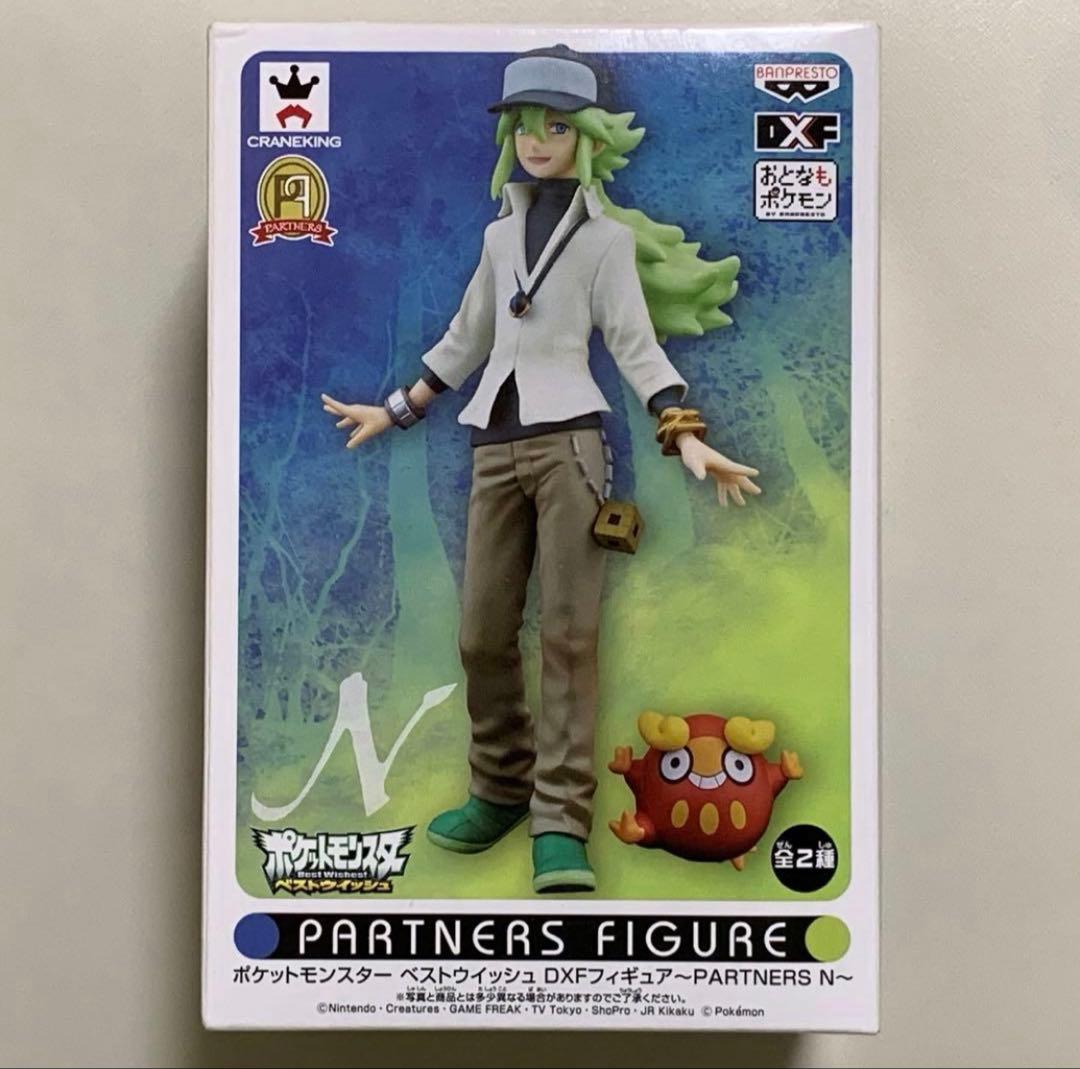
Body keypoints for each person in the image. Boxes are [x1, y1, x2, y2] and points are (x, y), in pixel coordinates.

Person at [321, 45, 760, 893]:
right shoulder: (497, 237)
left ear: (587, 137)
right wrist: (398, 408)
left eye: (556, 126)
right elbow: (466, 337)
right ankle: (499, 788)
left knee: (567, 636)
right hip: (493, 443)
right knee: (482, 633)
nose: (537, 140)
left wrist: (684, 433)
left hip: (570, 449)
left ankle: (560, 819)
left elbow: (634, 344)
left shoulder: (606, 242)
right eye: (526, 125)